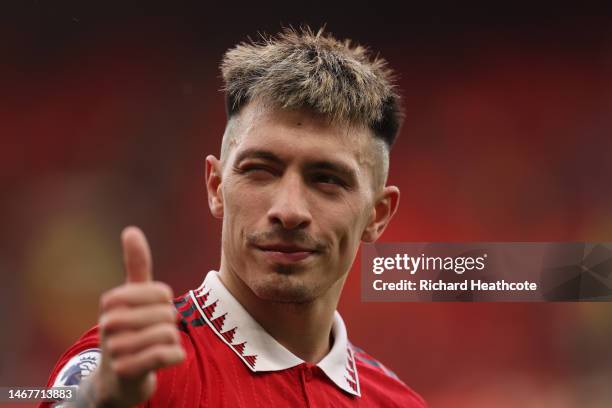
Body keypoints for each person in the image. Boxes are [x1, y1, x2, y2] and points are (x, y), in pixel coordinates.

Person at [41, 27, 427, 407]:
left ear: (377, 215)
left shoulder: (398, 402)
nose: (289, 211)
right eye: (260, 170)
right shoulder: (130, 372)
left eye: (326, 180)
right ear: (215, 186)